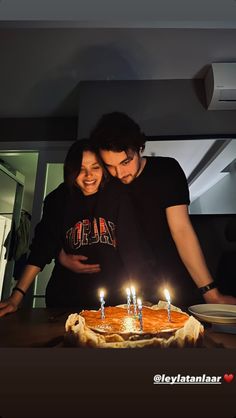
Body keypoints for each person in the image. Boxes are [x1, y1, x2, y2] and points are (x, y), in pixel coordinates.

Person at [59, 112, 236, 306]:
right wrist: (61, 256)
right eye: (110, 165)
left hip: (172, 282)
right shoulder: (104, 180)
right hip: (123, 291)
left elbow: (182, 231)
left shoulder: (166, 171)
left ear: (140, 148)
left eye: (125, 162)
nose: (119, 173)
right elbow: (63, 211)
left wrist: (210, 293)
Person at [0, 138, 150, 317]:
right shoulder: (58, 199)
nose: (88, 176)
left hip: (113, 303)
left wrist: (143, 294)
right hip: (66, 300)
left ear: (104, 168)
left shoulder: (118, 195)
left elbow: (134, 249)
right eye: (80, 169)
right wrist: (17, 296)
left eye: (95, 167)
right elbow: (42, 247)